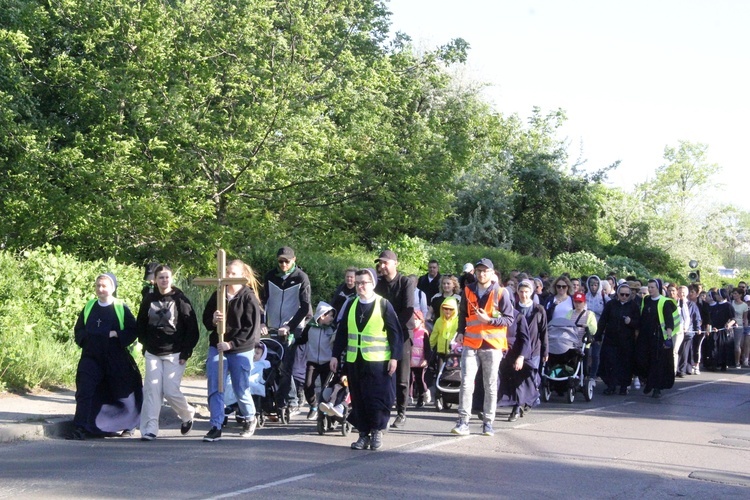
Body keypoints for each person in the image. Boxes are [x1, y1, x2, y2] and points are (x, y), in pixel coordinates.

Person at [330, 268, 403, 450]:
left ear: (373, 285)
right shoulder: (350, 304)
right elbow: (342, 332)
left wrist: (394, 357)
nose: (360, 286)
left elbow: (395, 333)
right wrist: (335, 355)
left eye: (364, 283)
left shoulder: (384, 304)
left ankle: (377, 431)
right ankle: (363, 434)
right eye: (357, 283)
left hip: (378, 361)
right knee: (359, 398)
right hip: (355, 360)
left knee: (376, 398)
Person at [69, 273, 142, 440]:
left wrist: (117, 334)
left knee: (123, 391)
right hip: (91, 356)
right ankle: (81, 427)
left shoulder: (120, 307)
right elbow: (79, 329)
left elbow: (133, 330)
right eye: (98, 286)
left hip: (115, 356)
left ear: (112, 288)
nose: (100, 289)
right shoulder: (89, 306)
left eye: (104, 286)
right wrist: (87, 340)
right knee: (85, 391)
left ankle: (128, 425)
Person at [451, 258, 514, 437]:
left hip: (492, 345)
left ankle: (488, 422)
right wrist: (460, 331)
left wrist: (489, 321)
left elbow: (509, 318)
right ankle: (463, 422)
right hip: (470, 343)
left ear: (492, 273)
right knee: (466, 382)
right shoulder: (468, 290)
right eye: (479, 270)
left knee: (490, 385)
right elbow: (463, 313)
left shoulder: (501, 292)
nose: (481, 274)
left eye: (485, 271)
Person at [136, 265, 200, 441]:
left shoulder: (180, 299)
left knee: (170, 390)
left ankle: (187, 414)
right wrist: (145, 343)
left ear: (171, 279)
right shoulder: (149, 299)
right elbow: (140, 323)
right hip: (153, 352)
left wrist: (186, 351)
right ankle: (150, 429)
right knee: (152, 391)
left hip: (175, 353)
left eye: (167, 277)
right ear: (155, 280)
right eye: (160, 277)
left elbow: (191, 328)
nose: (164, 280)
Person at [202, 259, 263, 442]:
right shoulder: (218, 294)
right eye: (227, 272)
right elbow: (206, 321)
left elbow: (251, 330)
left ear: (243, 277)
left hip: (239, 348)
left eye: (232, 273)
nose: (228, 276)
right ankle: (216, 425)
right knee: (215, 385)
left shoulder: (248, 297)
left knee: (240, 388)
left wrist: (232, 344)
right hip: (218, 346)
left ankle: (250, 417)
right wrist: (213, 320)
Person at [261, 246, 312, 414]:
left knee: (286, 365)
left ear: (294, 260)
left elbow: (305, 307)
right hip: (273, 326)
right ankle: (277, 399)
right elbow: (263, 302)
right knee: (270, 364)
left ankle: (290, 400)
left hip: (293, 327)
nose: (283, 264)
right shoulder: (270, 276)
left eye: (286, 261)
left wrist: (289, 326)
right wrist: (262, 323)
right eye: (280, 261)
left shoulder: (301, 278)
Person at [373, 250, 414, 429]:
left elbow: (409, 309)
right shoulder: (378, 284)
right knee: (382, 374)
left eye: (385, 263)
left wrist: (393, 327)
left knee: (402, 377)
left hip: (402, 333)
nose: (382, 266)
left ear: (395, 264)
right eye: (380, 263)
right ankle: (383, 411)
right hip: (382, 334)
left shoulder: (405, 282)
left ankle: (402, 412)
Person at [502, 279, 547, 421]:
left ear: (532, 292)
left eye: (527, 292)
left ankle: (529, 399)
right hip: (518, 350)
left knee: (532, 377)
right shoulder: (513, 308)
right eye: (521, 292)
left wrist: (545, 350)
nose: (524, 295)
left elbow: (544, 331)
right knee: (519, 378)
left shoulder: (539, 309)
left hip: (534, 349)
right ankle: (517, 406)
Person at [635, 279, 677, 398]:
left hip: (659, 337)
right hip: (645, 336)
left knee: (657, 363)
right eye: (649, 287)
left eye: (652, 287)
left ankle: (656, 388)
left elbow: (669, 322)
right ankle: (648, 382)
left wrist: (668, 338)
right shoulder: (646, 299)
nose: (650, 289)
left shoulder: (665, 302)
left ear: (658, 288)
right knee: (643, 360)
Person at [295, 301, 337, 421]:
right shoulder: (310, 327)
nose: (332, 318)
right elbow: (303, 339)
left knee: (326, 387)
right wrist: (292, 340)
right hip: (312, 361)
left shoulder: (332, 328)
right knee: (308, 385)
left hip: (327, 362)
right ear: (322, 315)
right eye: (330, 315)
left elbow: (336, 343)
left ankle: (326, 413)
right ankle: (313, 405)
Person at [597, 283, 640, 395]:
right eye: (622, 294)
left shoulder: (634, 306)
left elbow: (639, 323)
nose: (624, 297)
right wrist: (598, 335)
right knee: (609, 362)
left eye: (627, 295)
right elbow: (603, 320)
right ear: (617, 294)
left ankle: (623, 386)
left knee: (625, 364)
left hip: (627, 341)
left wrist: (631, 322)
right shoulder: (611, 304)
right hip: (611, 339)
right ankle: (610, 385)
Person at [677, 285, 700, 377]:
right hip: (677, 330)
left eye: (683, 292)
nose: (681, 294)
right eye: (680, 292)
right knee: (677, 350)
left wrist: (697, 328)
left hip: (688, 331)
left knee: (684, 351)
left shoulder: (691, 304)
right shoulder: (675, 303)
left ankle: (682, 370)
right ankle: (676, 368)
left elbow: (696, 317)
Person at [410, 311, 431, 408]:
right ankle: (409, 397)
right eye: (412, 320)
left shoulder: (424, 332)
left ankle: (422, 396)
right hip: (410, 361)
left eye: (416, 320)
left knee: (420, 380)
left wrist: (426, 360)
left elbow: (427, 348)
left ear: (420, 320)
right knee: (409, 379)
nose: (414, 322)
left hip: (420, 361)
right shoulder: (408, 331)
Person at [730, 288, 748, 368]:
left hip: (739, 326)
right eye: (733, 293)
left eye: (736, 293)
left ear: (740, 295)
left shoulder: (744, 305)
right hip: (730, 325)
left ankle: (737, 362)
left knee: (737, 345)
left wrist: (745, 327)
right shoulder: (731, 303)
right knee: (729, 343)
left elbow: (745, 318)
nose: (734, 295)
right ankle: (730, 361)